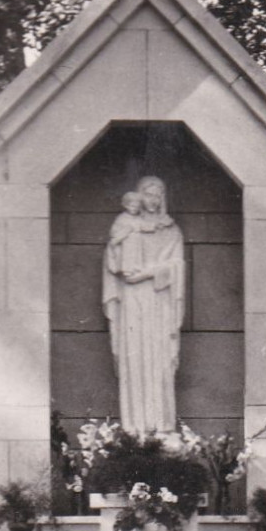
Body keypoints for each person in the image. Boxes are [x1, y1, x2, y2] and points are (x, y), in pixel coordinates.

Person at [103, 177, 185, 434]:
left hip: (160, 301)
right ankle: (134, 427)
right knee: (134, 356)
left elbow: (177, 266)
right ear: (139, 197)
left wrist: (148, 273)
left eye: (158, 195)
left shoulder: (171, 230)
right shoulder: (126, 225)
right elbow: (112, 262)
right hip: (131, 299)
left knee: (159, 359)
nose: (153, 200)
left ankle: (162, 426)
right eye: (148, 194)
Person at [107, 191, 144, 277]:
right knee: (129, 244)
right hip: (125, 242)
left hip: (137, 242)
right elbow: (113, 232)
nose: (134, 209)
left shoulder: (139, 218)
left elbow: (143, 226)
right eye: (132, 206)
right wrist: (126, 231)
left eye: (137, 207)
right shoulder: (121, 218)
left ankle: (137, 266)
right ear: (126, 205)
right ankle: (127, 268)